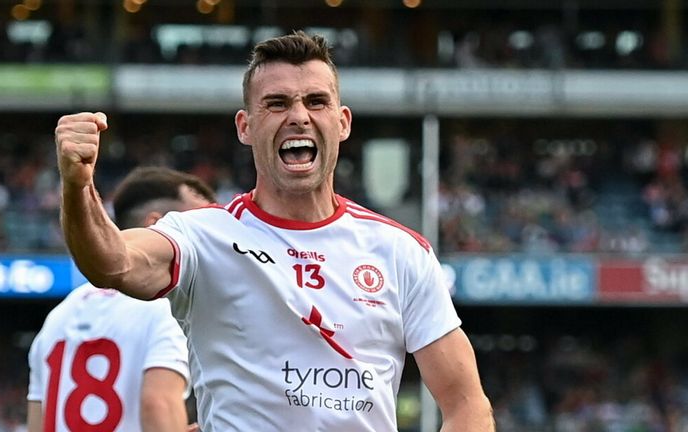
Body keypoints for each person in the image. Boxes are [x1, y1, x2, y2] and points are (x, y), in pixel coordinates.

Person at [55, 31, 494, 431]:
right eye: (277, 103)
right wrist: (78, 187)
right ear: (246, 127)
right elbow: (112, 262)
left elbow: (466, 404)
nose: (299, 117)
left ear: (342, 122)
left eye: (316, 102)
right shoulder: (202, 236)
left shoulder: (400, 251)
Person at [27, 166, 215, 432]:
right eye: (200, 225)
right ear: (156, 225)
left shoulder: (58, 317)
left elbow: (37, 424)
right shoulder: (168, 305)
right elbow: (157, 403)